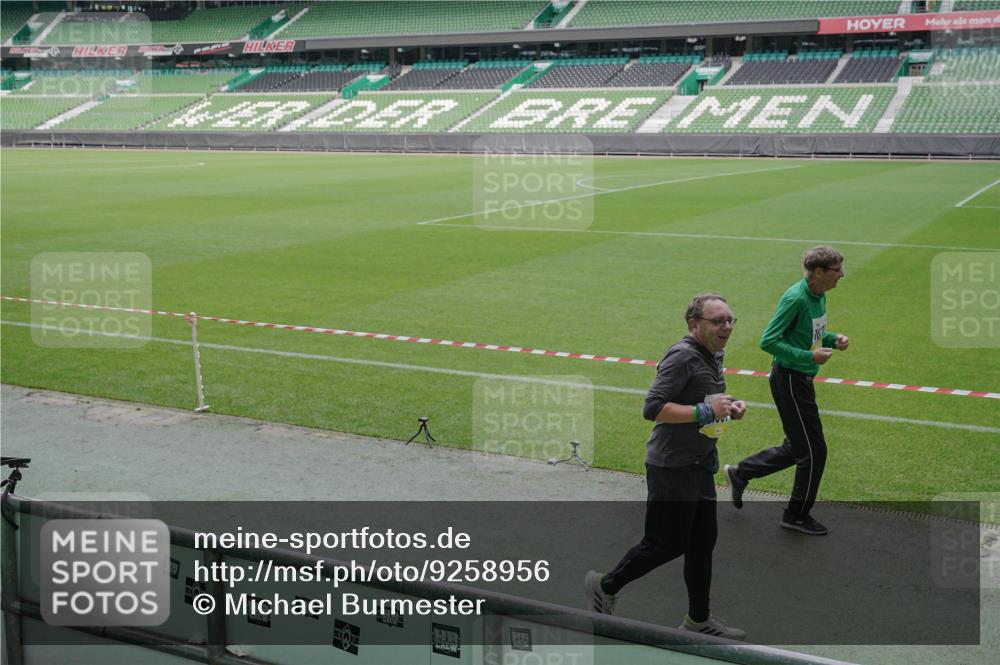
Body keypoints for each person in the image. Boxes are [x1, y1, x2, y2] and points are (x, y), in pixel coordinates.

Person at [585, 293, 746, 640]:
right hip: (672, 466)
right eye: (718, 321)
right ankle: (605, 585)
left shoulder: (713, 352)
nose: (727, 327)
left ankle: (698, 620)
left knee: (703, 542)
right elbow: (653, 407)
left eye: (730, 320)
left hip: (700, 462)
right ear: (694, 325)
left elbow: (702, 398)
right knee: (666, 543)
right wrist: (707, 411)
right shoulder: (682, 356)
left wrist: (728, 406)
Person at [725, 246, 848, 536]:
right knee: (814, 452)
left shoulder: (818, 295)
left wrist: (832, 338)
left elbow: (810, 334)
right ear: (819, 272)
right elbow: (768, 341)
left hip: (801, 379)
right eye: (837, 270)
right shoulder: (796, 298)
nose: (842, 274)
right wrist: (809, 357)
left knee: (797, 446)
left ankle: (741, 473)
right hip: (790, 380)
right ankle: (796, 515)